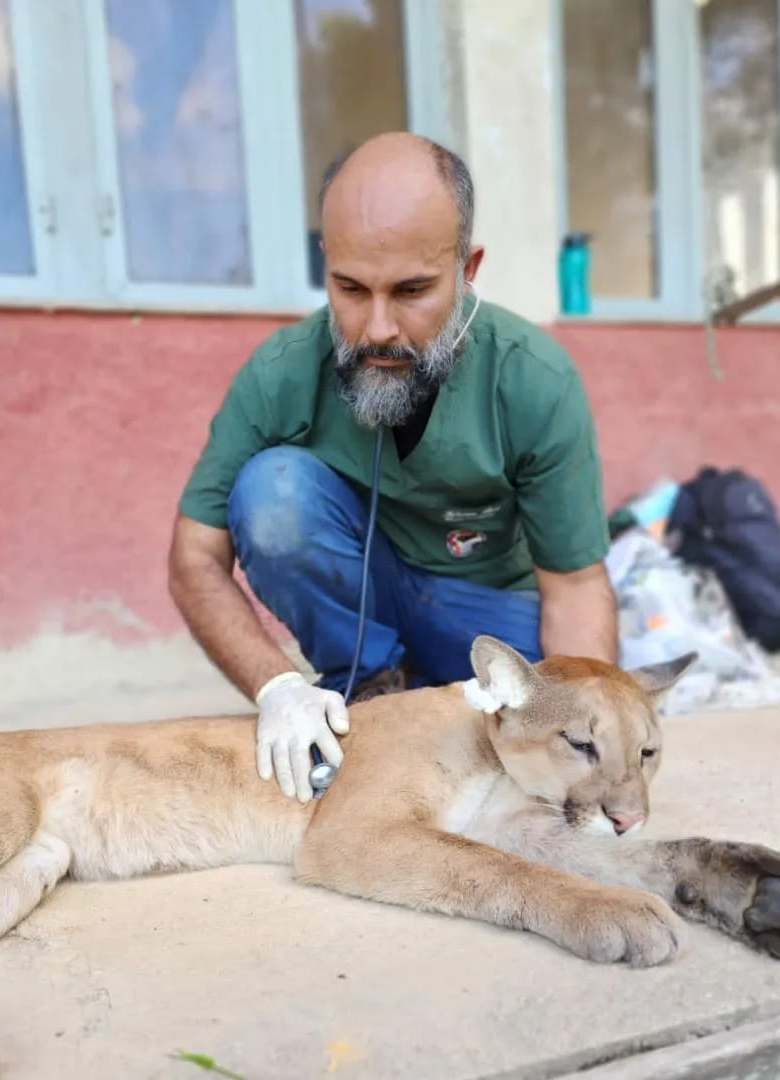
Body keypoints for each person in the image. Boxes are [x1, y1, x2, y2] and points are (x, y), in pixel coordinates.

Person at [168, 132, 616, 804]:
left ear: (469, 269)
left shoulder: (536, 380)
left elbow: (576, 588)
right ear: (327, 264)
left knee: (557, 690)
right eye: (350, 288)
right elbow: (192, 559)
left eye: (412, 290)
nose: (377, 328)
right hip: (362, 602)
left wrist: (587, 738)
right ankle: (370, 688)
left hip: (485, 616)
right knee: (273, 491)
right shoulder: (280, 371)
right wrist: (277, 688)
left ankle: (441, 693)